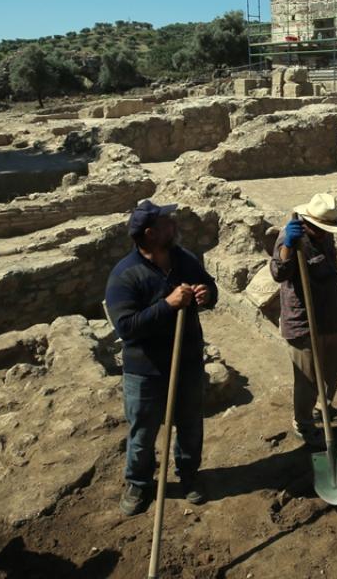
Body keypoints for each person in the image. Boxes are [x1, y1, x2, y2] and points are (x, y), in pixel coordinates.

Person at [105, 200, 218, 515]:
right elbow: (127, 328)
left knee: (191, 425)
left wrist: (206, 293)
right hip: (146, 372)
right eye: (168, 222)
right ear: (151, 233)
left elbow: (210, 287)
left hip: (187, 362)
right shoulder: (125, 275)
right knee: (142, 434)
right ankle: (139, 484)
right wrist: (167, 305)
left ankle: (189, 475)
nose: (175, 224)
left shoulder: (185, 260)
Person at [268, 194, 337, 447]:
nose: (326, 232)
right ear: (309, 223)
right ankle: (303, 423)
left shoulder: (325, 237)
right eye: (322, 229)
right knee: (307, 378)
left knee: (336, 362)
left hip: (331, 313)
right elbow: (278, 273)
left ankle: (322, 409)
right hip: (304, 320)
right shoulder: (290, 237)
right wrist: (287, 249)